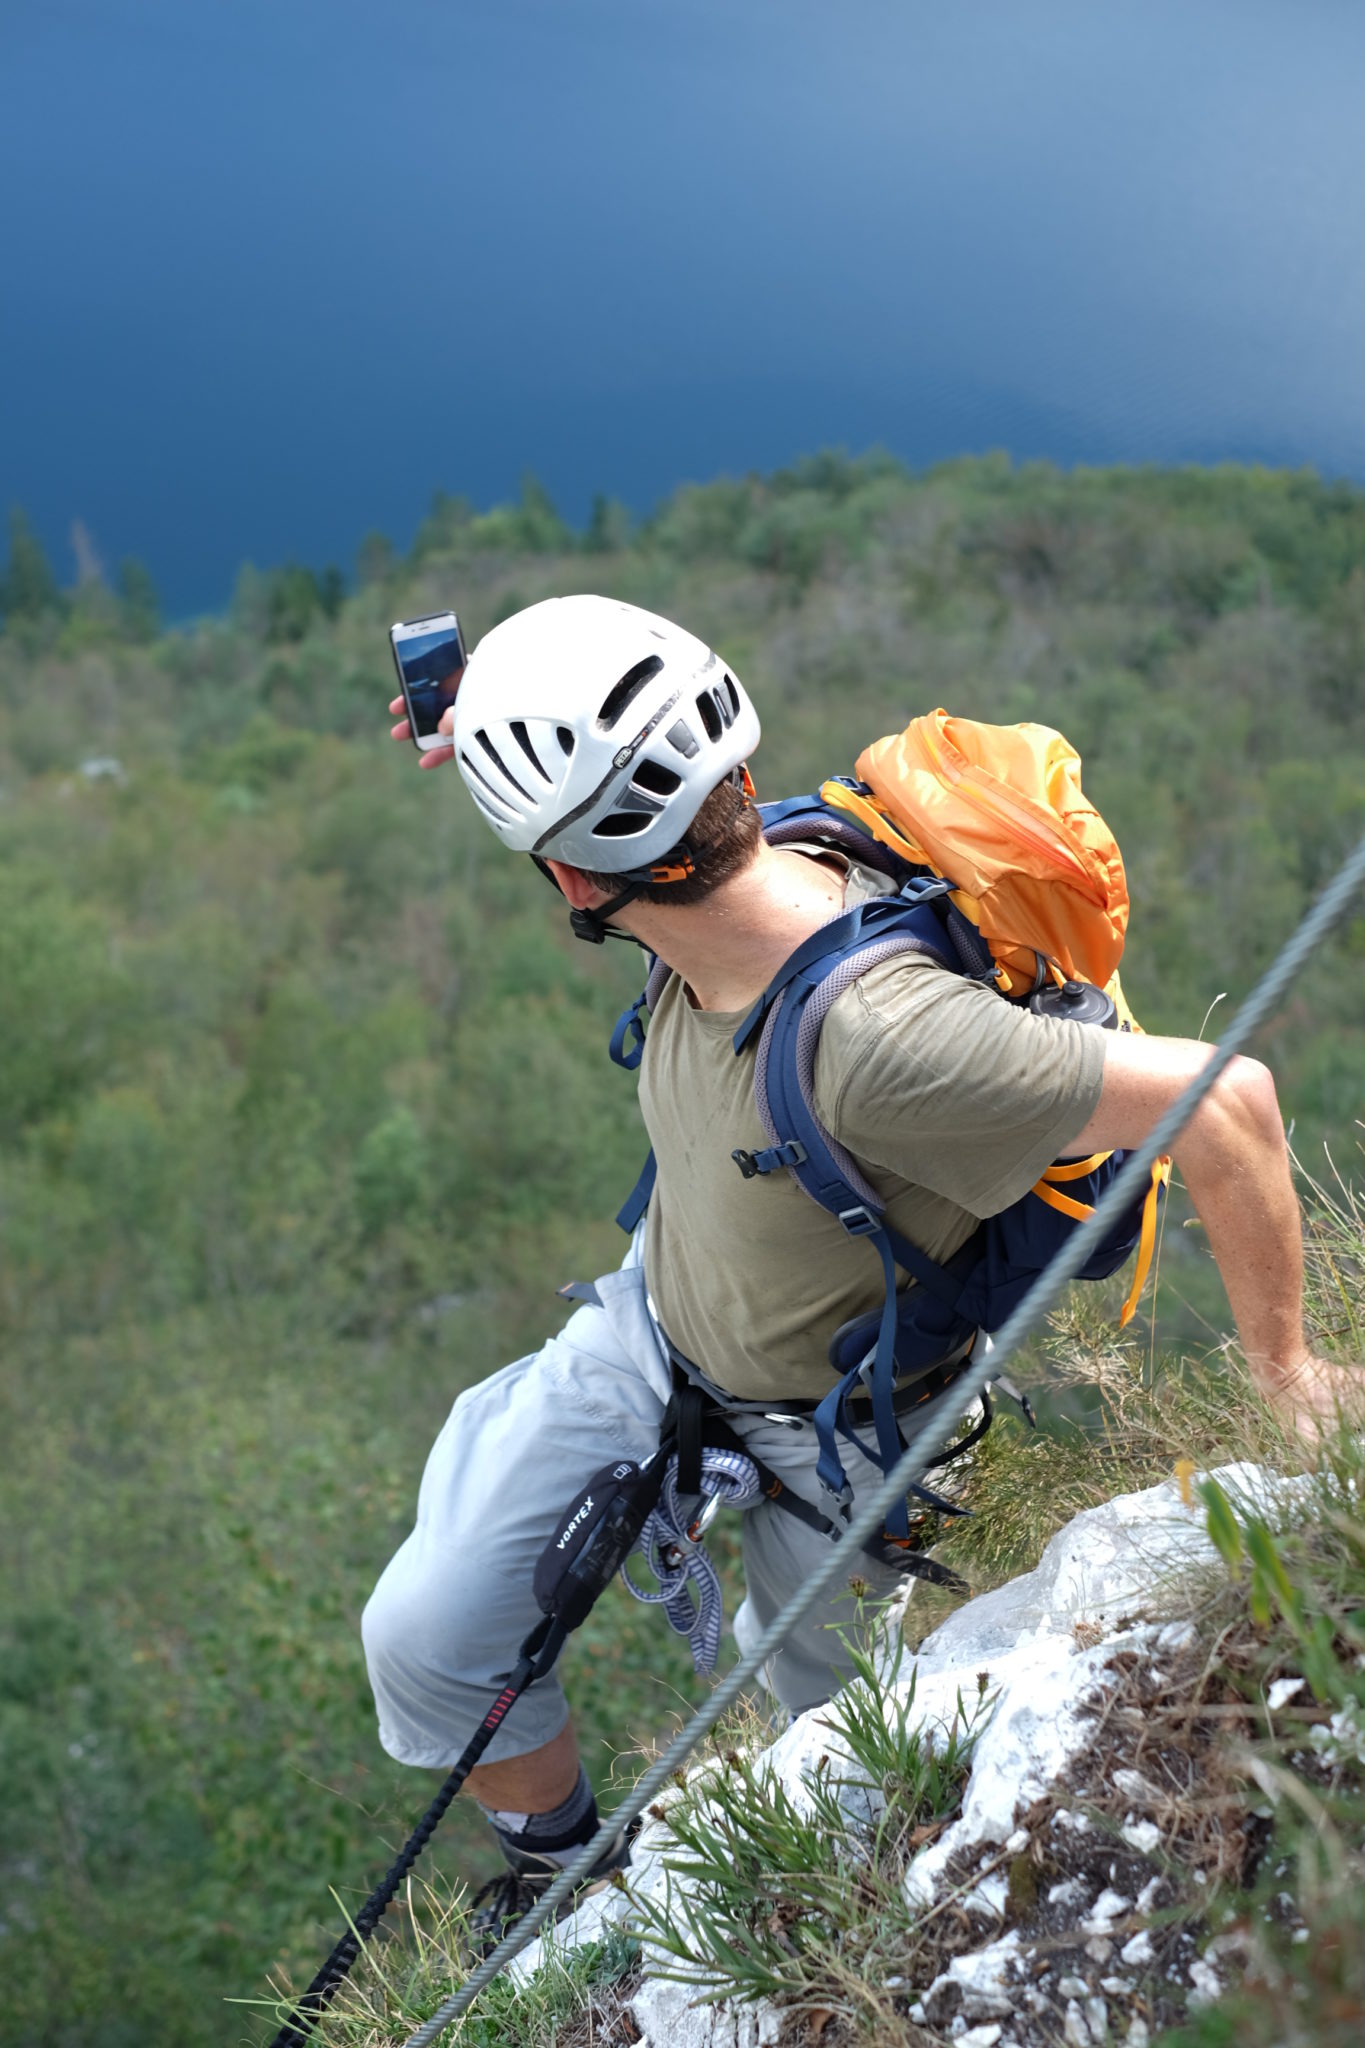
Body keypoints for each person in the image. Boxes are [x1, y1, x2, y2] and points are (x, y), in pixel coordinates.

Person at [364, 593, 1350, 1949]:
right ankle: (563, 1873)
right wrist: (491, 718)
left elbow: (1227, 1104)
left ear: (577, 885)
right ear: (736, 781)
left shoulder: (881, 1044)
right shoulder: (740, 851)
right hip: (656, 1331)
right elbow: (620, 781)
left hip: (846, 1446)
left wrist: (1283, 1373)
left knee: (841, 1774)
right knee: (426, 1636)